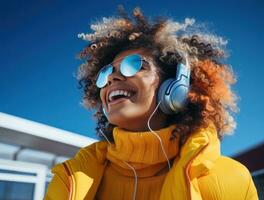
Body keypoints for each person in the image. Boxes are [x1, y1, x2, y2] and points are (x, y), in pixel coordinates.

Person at [44, 7, 258, 200]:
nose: (111, 79)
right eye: (106, 73)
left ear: (176, 87)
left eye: (134, 65)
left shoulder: (229, 179)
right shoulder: (70, 178)